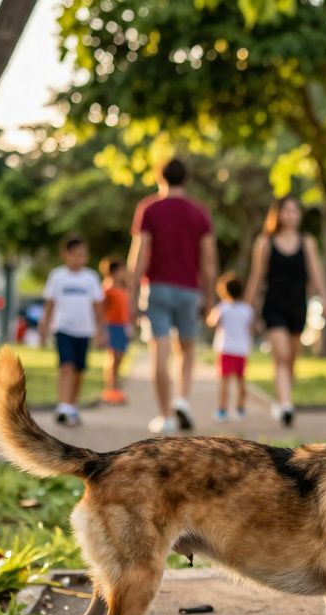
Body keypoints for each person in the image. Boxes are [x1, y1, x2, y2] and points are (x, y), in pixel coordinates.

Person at [128, 158, 218, 434]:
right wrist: (211, 298)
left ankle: (165, 415)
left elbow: (139, 256)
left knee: (160, 351)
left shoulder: (149, 208)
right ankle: (182, 399)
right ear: (186, 179)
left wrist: (132, 299)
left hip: (156, 288)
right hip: (189, 290)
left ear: (160, 177)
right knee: (187, 348)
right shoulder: (199, 212)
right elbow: (209, 261)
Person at [244, 197, 326, 428]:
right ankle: (285, 405)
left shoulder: (307, 242)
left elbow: (316, 272)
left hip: (297, 306)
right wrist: (248, 307)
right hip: (273, 306)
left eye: (295, 211)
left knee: (291, 359)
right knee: (281, 355)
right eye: (287, 211)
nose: (291, 215)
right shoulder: (265, 242)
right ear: (278, 214)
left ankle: (283, 401)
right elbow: (256, 276)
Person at [40, 235, 105, 428]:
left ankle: (72, 405)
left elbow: (98, 306)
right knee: (65, 366)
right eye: (76, 254)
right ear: (66, 254)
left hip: (84, 331)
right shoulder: (57, 276)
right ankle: (63, 406)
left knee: (78, 370)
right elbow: (50, 304)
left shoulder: (91, 278)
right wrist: (44, 326)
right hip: (63, 329)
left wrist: (101, 330)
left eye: (83, 254)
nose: (80, 258)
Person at [206, 273, 254, 423]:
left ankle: (222, 410)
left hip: (226, 349)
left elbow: (211, 322)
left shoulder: (222, 308)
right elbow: (251, 326)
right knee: (241, 381)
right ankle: (240, 409)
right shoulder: (247, 309)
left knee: (224, 381)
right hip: (242, 350)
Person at [99, 258, 130, 405]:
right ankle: (109, 390)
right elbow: (101, 310)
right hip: (111, 326)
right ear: (114, 271)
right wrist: (101, 329)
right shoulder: (107, 289)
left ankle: (115, 388)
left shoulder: (122, 289)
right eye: (122, 270)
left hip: (122, 326)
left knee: (120, 358)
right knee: (113, 357)